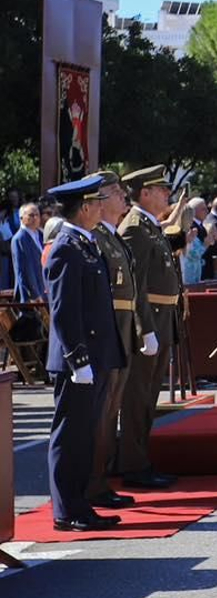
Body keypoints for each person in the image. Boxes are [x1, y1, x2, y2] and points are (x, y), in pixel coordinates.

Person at [44, 175, 125, 531]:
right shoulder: (65, 246)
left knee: (85, 433)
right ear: (86, 208)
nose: (99, 208)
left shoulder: (85, 244)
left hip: (93, 356)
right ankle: (66, 509)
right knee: (70, 434)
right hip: (78, 360)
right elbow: (64, 310)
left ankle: (79, 504)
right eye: (95, 203)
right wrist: (78, 358)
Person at [86, 171, 153, 511]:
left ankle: (100, 482)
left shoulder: (113, 237)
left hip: (123, 329)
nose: (123, 196)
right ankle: (93, 484)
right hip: (108, 331)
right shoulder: (96, 238)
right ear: (98, 200)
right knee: (101, 412)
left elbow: (134, 291)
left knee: (111, 410)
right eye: (115, 192)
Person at [116, 165, 181, 489]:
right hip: (150, 320)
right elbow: (136, 285)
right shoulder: (134, 228)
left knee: (148, 396)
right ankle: (132, 464)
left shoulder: (149, 226)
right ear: (144, 193)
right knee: (137, 397)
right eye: (160, 189)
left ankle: (140, 460)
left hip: (162, 317)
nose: (166, 194)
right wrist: (145, 329)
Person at [11, 201, 44, 301]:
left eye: (37, 215)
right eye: (31, 215)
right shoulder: (19, 239)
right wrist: (34, 294)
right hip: (31, 297)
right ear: (21, 218)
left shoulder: (41, 235)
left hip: (44, 291)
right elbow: (23, 270)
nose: (35, 218)